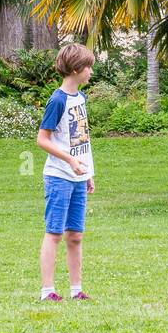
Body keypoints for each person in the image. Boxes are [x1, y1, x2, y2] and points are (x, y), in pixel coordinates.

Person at [36, 43, 96, 302]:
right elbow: (42, 139)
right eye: (88, 67)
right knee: (55, 233)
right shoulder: (57, 100)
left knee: (76, 235)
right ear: (75, 69)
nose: (91, 72)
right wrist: (70, 161)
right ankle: (47, 290)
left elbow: (81, 139)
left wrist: (87, 172)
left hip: (78, 177)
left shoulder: (80, 99)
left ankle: (76, 290)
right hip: (59, 176)